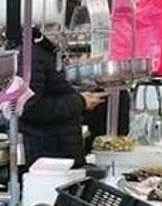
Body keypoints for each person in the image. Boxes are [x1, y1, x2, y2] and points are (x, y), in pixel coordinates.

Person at [19, 28, 104, 167]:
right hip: (48, 156)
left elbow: (58, 93)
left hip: (64, 150)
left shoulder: (53, 54)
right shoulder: (32, 56)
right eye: (57, 27)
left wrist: (80, 98)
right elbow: (31, 108)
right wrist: (80, 102)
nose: (64, 32)